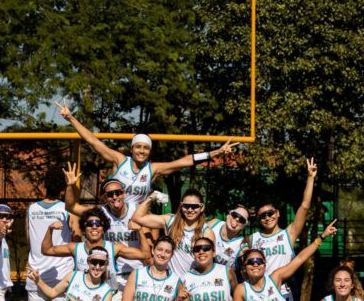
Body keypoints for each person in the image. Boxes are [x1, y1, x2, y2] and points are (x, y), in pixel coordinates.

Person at [63, 162, 151, 301]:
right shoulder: (100, 212)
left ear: (125, 193)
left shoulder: (136, 209)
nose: (115, 196)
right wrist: (72, 185)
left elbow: (146, 252)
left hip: (124, 280)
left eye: (118, 192)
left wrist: (140, 229)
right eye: (110, 194)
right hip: (103, 282)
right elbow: (71, 206)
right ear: (105, 197)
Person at [56, 99, 235, 203]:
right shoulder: (120, 160)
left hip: (136, 220)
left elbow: (185, 161)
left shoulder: (153, 169)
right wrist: (71, 118)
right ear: (132, 148)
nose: (142, 151)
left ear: (149, 151)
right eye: (138, 147)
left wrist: (215, 153)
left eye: (146, 148)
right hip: (115, 214)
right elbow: (93, 141)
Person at [248, 158, 318, 301]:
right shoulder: (253, 239)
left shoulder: (289, 233)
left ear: (278, 213)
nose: (267, 217)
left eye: (270, 213)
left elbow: (305, 206)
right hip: (261, 296)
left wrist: (310, 177)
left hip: (284, 293)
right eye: (262, 216)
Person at [42, 206, 150, 286]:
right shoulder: (75, 248)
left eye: (98, 224)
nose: (94, 227)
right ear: (83, 230)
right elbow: (46, 250)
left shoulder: (115, 248)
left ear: (103, 229)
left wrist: (139, 230)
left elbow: (145, 254)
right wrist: (49, 230)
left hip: (110, 298)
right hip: (84, 298)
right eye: (90, 224)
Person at [25, 167, 74, 301]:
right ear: (62, 187)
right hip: (62, 273)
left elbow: (29, 239)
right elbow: (75, 238)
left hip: (35, 272)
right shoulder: (67, 210)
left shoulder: (31, 209)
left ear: (44, 185)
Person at [132, 189, 211, 279]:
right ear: (181, 206)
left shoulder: (206, 232)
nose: (190, 210)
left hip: (193, 282)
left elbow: (208, 265)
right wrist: (151, 198)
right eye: (186, 206)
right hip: (170, 281)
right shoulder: (170, 221)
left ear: (202, 208)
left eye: (194, 206)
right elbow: (137, 218)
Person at [208, 205, 249, 271]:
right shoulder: (213, 224)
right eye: (235, 215)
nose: (237, 219)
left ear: (243, 226)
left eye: (242, 220)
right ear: (228, 215)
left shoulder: (242, 245)